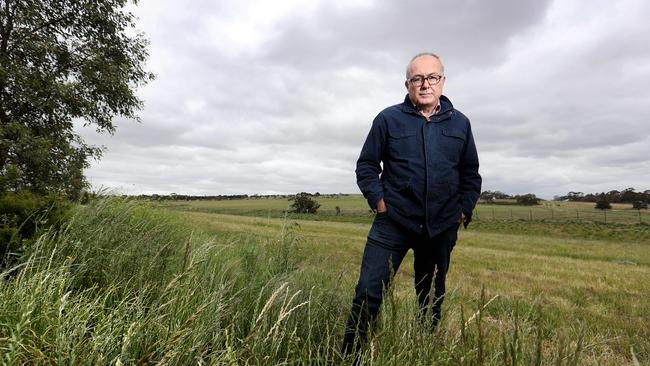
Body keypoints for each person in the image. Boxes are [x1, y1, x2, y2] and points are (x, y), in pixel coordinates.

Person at [342, 52, 481, 355]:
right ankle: (349, 357)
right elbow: (366, 166)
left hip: (441, 227)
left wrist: (463, 210)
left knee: (429, 298)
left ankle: (421, 354)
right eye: (417, 79)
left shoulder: (460, 124)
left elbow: (470, 173)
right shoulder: (388, 119)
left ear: (442, 81)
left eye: (432, 77)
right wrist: (379, 202)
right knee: (368, 294)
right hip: (393, 222)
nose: (425, 84)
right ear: (407, 84)